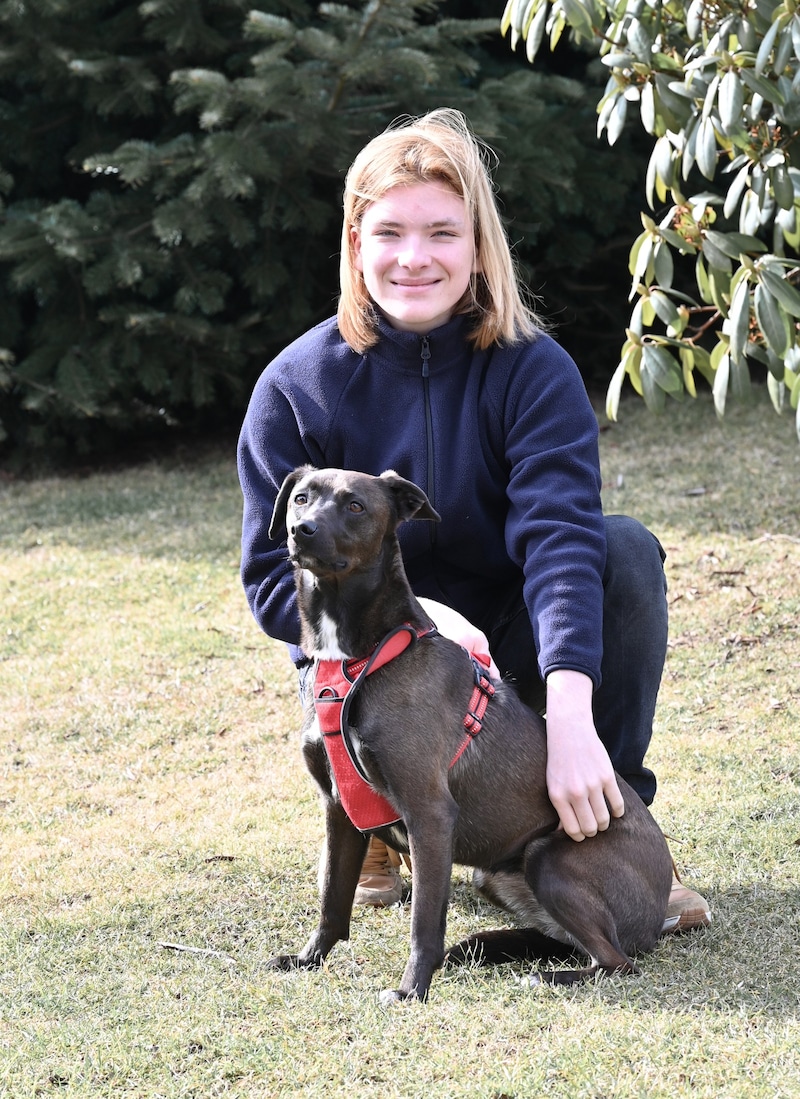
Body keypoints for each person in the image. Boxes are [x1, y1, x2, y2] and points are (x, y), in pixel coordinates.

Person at [237, 108, 710, 931]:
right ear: (356, 243)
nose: (414, 257)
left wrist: (568, 723)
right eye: (389, 232)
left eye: (443, 233)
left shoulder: (534, 371)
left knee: (622, 552)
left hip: (509, 633)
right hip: (376, 647)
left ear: (479, 245)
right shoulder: (295, 386)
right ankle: (374, 817)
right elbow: (269, 577)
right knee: (334, 606)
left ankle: (603, 819)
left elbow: (560, 541)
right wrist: (425, 630)